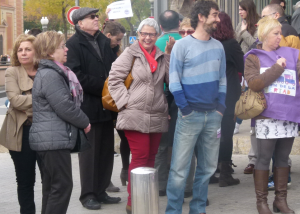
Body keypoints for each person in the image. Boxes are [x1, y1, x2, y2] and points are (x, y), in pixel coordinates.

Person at [108, 18, 174, 214]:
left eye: (151, 34)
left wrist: (169, 55)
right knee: (140, 157)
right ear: (138, 35)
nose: (147, 38)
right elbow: (114, 79)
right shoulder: (131, 53)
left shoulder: (161, 55)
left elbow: (171, 80)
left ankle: (146, 197)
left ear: (157, 36)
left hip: (156, 113)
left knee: (151, 158)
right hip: (134, 115)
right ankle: (133, 201)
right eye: (144, 34)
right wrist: (125, 103)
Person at [166, 1, 226, 213]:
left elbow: (222, 81)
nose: (218, 19)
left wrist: (220, 109)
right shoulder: (181, 46)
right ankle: (173, 210)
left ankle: (198, 209)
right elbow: (174, 82)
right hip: (189, 115)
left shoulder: (218, 47)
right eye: (215, 15)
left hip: (213, 116)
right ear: (201, 17)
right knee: (179, 170)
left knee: (207, 168)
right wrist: (186, 109)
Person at [65, 7, 121, 210]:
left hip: (107, 106)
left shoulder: (104, 42)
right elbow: (76, 76)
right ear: (80, 23)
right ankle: (88, 194)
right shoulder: (73, 44)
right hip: (88, 107)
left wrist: (113, 85)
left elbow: (114, 68)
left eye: (97, 16)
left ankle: (101, 190)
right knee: (89, 154)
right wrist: (104, 87)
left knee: (106, 150)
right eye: (91, 17)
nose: (96, 19)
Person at [29, 31, 91, 214]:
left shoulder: (51, 72)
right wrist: (85, 122)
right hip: (52, 140)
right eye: (62, 46)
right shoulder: (50, 74)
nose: (66, 49)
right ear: (49, 52)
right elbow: (64, 106)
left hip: (50, 139)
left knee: (52, 188)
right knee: (62, 187)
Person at [244, 17, 299, 214]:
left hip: (288, 115)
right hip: (266, 116)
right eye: (276, 33)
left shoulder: (293, 54)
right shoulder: (253, 57)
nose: (280, 37)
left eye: (280, 33)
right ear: (265, 34)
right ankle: (261, 203)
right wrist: (278, 68)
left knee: (283, 159)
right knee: (263, 158)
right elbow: (254, 84)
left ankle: (280, 201)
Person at [0, 34, 39, 214]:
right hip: (21, 132)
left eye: (28, 49)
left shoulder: (46, 70)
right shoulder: (12, 72)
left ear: (36, 51)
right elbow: (14, 101)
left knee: (51, 179)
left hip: (46, 131)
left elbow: (58, 100)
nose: (23, 53)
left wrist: (27, 105)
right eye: (20, 50)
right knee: (25, 181)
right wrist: (43, 101)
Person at [153, 9, 186, 198]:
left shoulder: (153, 43)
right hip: (182, 95)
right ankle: (183, 186)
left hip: (161, 94)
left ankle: (160, 185)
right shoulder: (186, 42)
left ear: (160, 27)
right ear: (179, 24)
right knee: (182, 143)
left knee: (161, 144)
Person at [211, 11, 244, 187]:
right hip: (229, 92)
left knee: (210, 132)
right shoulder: (231, 44)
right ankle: (225, 172)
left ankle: (209, 171)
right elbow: (243, 66)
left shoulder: (208, 43)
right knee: (226, 131)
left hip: (209, 92)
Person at [103, 20, 127, 193]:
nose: (119, 43)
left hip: (116, 101)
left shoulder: (117, 52)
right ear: (108, 35)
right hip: (104, 100)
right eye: (118, 39)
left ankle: (125, 170)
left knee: (124, 136)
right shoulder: (103, 51)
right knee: (105, 144)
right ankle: (106, 180)